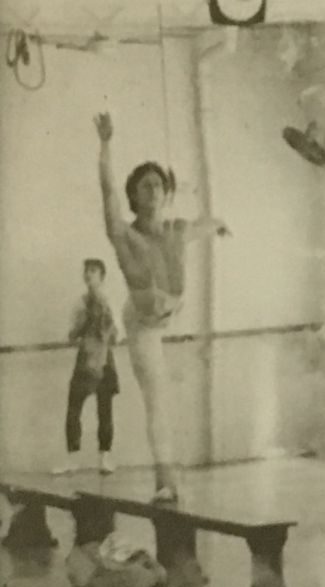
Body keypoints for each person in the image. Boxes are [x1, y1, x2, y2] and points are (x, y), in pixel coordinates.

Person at [95, 112, 229, 503]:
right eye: (145, 185)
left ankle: (169, 472)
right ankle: (164, 478)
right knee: (158, 398)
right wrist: (105, 147)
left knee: (168, 396)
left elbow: (204, 224)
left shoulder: (176, 230)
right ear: (134, 195)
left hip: (170, 312)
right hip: (142, 324)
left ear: (165, 194)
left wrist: (220, 224)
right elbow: (107, 195)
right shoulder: (124, 235)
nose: (152, 190)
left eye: (158, 185)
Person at [53, 258, 121, 476]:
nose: (88, 274)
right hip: (84, 359)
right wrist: (85, 322)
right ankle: (72, 458)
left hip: (104, 359)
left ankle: (105, 458)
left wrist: (105, 319)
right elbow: (71, 335)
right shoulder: (79, 303)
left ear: (101, 276)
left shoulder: (111, 301)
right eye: (86, 271)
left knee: (105, 410)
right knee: (74, 409)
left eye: (93, 271)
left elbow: (117, 336)